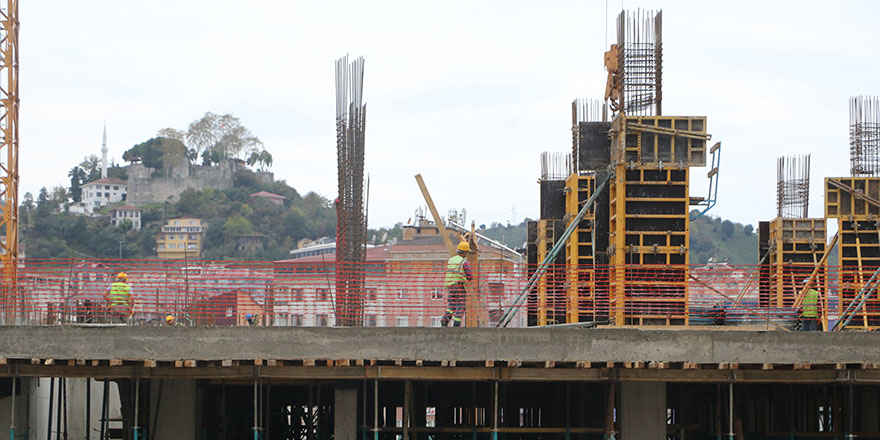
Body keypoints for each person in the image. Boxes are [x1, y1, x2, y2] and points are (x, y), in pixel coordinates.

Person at [440, 242, 474, 327]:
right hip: (458, 286)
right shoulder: (463, 262)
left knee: (452, 305)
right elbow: (470, 276)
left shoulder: (451, 260)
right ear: (464, 252)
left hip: (450, 286)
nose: (466, 255)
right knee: (460, 305)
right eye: (466, 252)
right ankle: (456, 324)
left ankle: (445, 320)